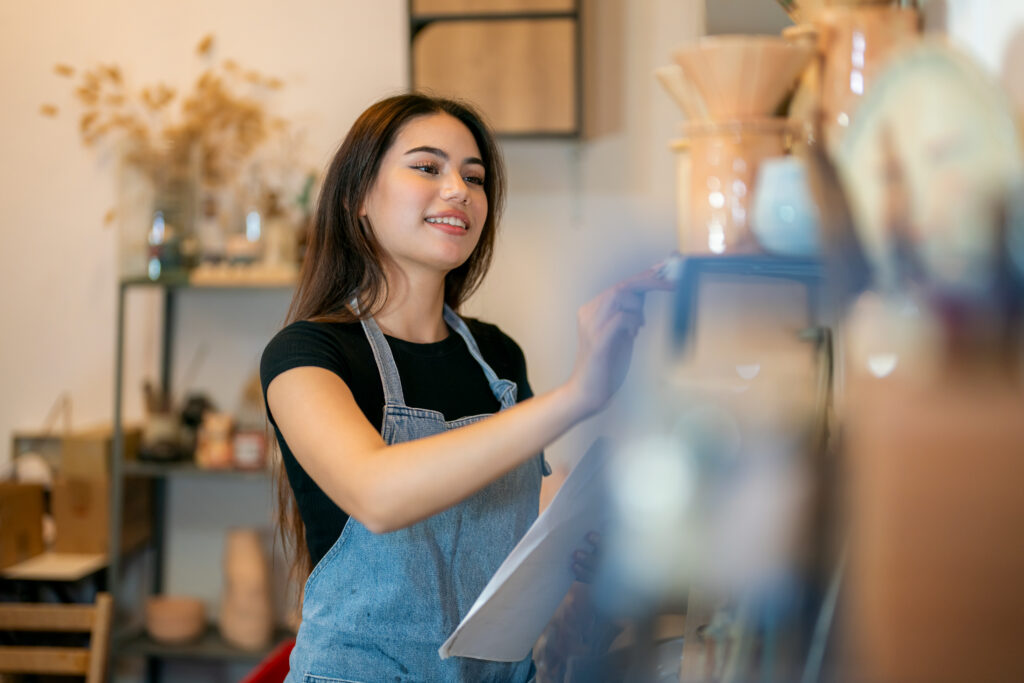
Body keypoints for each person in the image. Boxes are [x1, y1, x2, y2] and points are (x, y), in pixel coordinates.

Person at [261, 93, 670, 682]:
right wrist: (580, 394)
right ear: (358, 199)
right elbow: (377, 493)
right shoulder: (307, 354)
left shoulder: (496, 355)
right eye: (427, 167)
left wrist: (582, 539)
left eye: (473, 177)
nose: (458, 189)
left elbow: (524, 513)